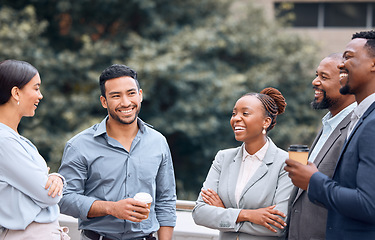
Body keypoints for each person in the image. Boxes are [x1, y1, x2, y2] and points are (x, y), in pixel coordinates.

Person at [58, 64, 176, 240]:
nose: (126, 102)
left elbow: (166, 200)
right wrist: (111, 208)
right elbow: (64, 199)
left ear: (140, 95)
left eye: (131, 93)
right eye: (116, 96)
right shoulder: (79, 145)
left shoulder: (158, 142)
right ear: (104, 101)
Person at [285, 30, 375, 239]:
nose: (342, 65)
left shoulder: (371, 123)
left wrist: (313, 181)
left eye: (349, 57)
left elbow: (369, 203)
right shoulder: (360, 119)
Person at [192, 87, 293, 240]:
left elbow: (277, 225)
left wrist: (225, 213)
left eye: (245, 113)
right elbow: (199, 213)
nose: (236, 118)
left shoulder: (285, 163)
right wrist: (248, 215)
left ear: (266, 122)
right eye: (234, 113)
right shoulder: (223, 158)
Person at [286, 53, 356, 240]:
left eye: (323, 77)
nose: (314, 82)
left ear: (348, 83)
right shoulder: (328, 124)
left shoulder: (355, 129)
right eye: (316, 75)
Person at [0, 60, 69, 239]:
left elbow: (42, 187)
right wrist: (45, 179)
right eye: (36, 88)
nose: (40, 95)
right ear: (16, 92)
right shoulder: (4, 141)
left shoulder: (18, 140)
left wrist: (55, 177)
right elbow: (49, 196)